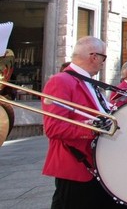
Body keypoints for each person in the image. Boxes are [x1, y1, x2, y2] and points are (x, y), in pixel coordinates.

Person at [41, 36, 122, 208]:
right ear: (94, 56)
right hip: (77, 167)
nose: (103, 62)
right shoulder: (60, 81)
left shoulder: (89, 82)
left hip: (98, 166)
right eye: (103, 57)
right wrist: (92, 129)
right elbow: (53, 128)